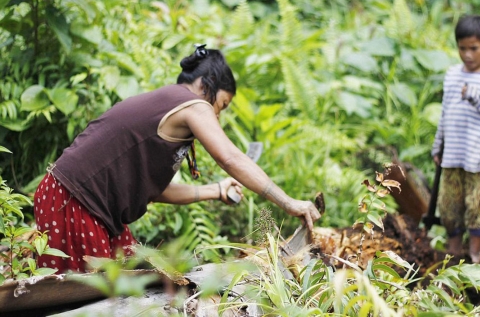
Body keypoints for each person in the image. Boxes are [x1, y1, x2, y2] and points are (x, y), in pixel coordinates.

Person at [34, 44, 321, 273]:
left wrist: (216, 190)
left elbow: (152, 191)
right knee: (95, 301)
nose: (218, 114)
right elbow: (231, 158)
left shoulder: (170, 105)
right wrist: (288, 202)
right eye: (222, 104)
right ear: (207, 85)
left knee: (131, 281)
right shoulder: (194, 105)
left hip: (75, 201)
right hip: (73, 201)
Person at [431, 15, 480, 263]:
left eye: (474, 48)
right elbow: (445, 112)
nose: (467, 54)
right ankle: (454, 251)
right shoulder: (452, 74)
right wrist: (438, 144)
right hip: (453, 153)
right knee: (448, 206)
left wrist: (477, 97)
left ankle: (475, 254)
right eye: (462, 48)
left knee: (476, 206)